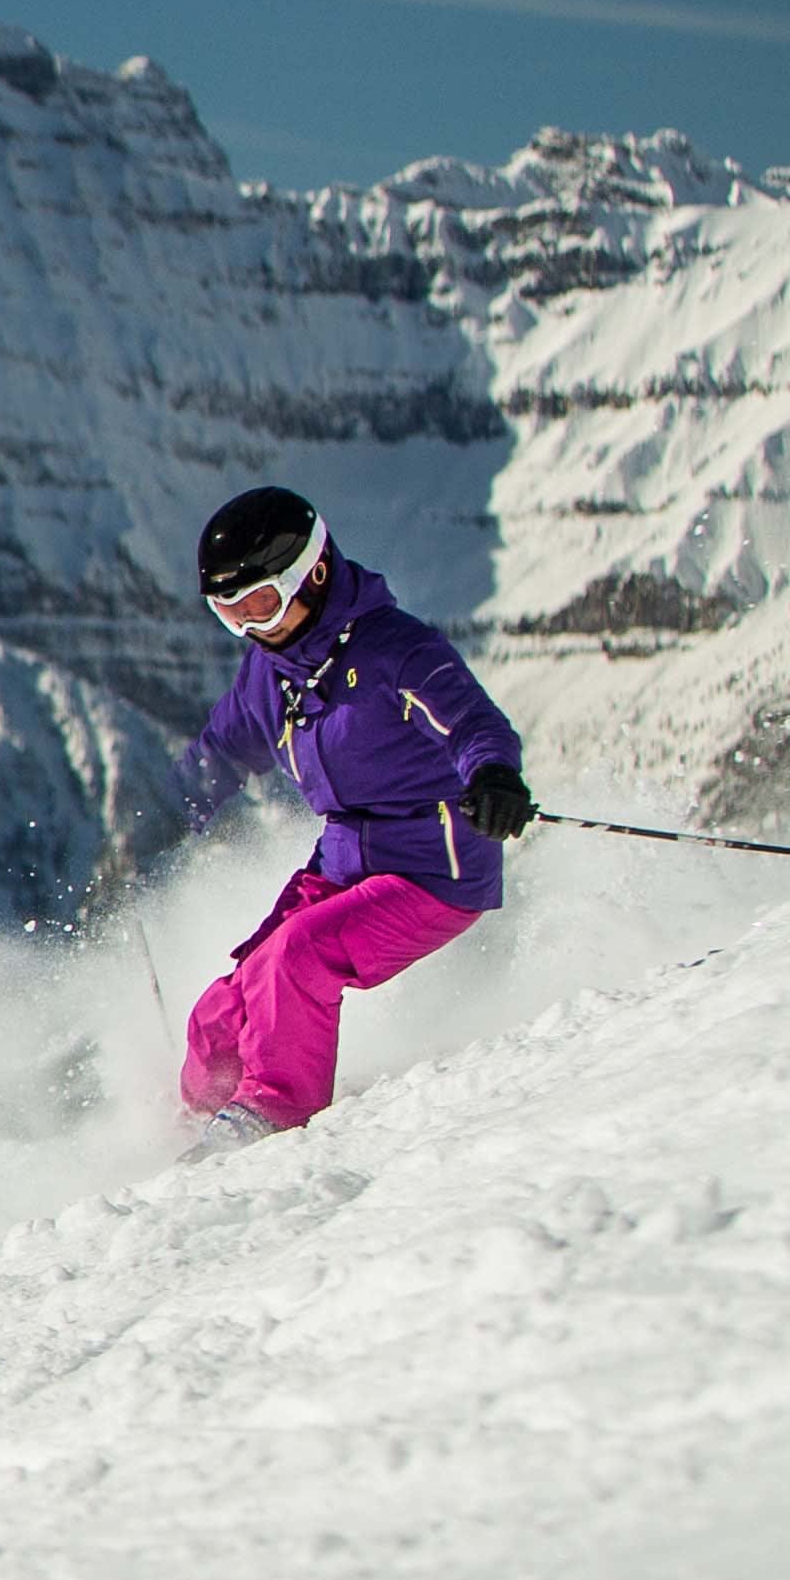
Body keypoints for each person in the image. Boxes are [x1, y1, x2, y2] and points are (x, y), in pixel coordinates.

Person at [176, 486, 531, 1138]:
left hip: (435, 866)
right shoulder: (269, 672)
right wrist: (170, 804)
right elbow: (221, 750)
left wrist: (494, 777)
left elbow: (477, 726)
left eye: (261, 603)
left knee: (297, 957)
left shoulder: (395, 649)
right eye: (231, 613)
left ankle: (270, 1115)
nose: (252, 626)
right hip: (343, 859)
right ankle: (195, 1120)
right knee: (226, 1007)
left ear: (310, 572)